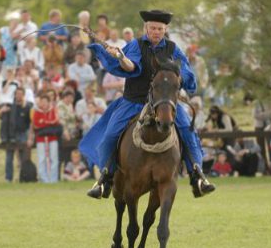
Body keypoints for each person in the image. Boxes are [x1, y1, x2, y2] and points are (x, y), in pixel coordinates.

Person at [81, 10, 215, 199]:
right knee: (110, 135)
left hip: (165, 104)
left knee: (188, 132)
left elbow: (187, 74)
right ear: (146, 28)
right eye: (153, 28)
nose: (156, 32)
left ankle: (198, 176)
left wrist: (176, 75)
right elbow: (132, 67)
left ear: (165, 29)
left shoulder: (173, 49)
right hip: (133, 102)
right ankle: (105, 179)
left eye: (160, 29)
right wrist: (121, 57)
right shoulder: (135, 45)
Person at [29, 94, 59, 183]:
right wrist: (48, 123)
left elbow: (56, 122)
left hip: (52, 137)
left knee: (54, 158)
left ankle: (53, 179)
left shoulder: (53, 110)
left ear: (49, 102)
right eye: (42, 102)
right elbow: (36, 125)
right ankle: (44, 179)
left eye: (45, 102)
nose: (43, 104)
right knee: (41, 158)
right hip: (40, 139)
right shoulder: (37, 112)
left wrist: (44, 122)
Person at [5, 87, 32, 182]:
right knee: (9, 157)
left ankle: (23, 177)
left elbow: (30, 124)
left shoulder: (27, 107)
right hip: (11, 134)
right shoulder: (10, 107)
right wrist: (1, 111)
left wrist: (29, 137)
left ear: (24, 95)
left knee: (23, 157)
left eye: (21, 94)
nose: (19, 96)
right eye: (17, 94)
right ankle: (8, 178)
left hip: (23, 133)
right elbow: (0, 117)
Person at [0, 68, 19, 143]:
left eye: (11, 74)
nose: (9, 75)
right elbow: (4, 91)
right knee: (5, 120)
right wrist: (8, 82)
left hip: (12, 103)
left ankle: (12, 136)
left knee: (12, 120)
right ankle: (4, 137)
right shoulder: (3, 82)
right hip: (4, 102)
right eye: (8, 74)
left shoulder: (16, 83)